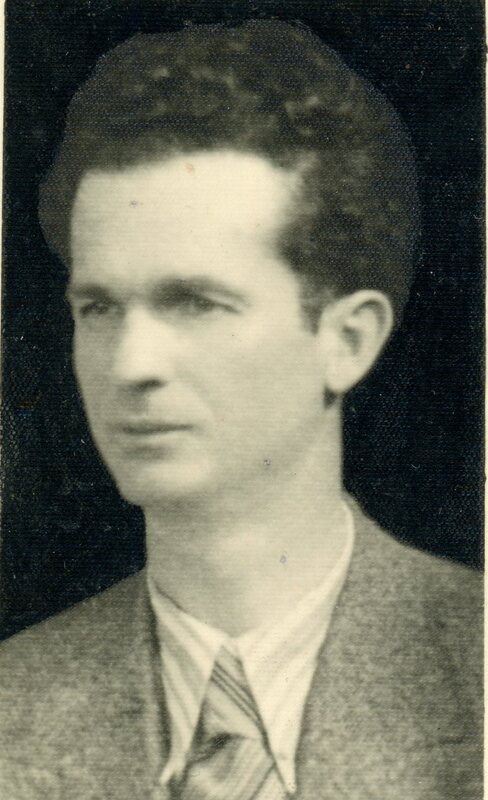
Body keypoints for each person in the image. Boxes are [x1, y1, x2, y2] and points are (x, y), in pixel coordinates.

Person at [0, 19, 481, 800]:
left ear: (348, 340)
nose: (131, 364)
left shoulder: (474, 675)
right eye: (99, 308)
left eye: (196, 303)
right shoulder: (12, 708)